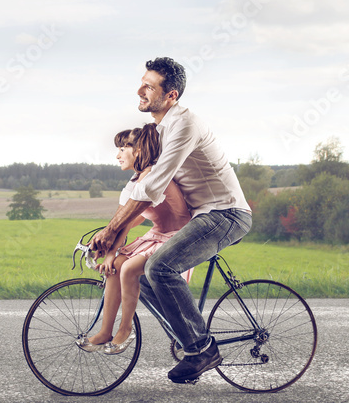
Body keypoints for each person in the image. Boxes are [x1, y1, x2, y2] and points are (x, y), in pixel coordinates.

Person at [90, 57, 252, 384]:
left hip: (225, 214)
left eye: (149, 86)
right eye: (142, 82)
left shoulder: (185, 126)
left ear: (171, 95)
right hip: (204, 216)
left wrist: (111, 230)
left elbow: (154, 185)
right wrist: (112, 232)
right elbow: (142, 189)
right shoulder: (162, 130)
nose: (140, 89)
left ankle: (201, 348)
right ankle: (188, 339)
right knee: (140, 274)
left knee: (159, 267)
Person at [78, 124, 192, 355]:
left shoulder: (154, 178)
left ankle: (125, 328)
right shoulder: (133, 183)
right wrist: (110, 256)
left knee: (128, 268)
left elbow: (129, 219)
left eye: (123, 148)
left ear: (138, 150)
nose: (118, 154)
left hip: (179, 238)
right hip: (157, 235)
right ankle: (105, 331)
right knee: (115, 267)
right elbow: (125, 222)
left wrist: (114, 253)